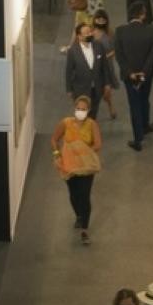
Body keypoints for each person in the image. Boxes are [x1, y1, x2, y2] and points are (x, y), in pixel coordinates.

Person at [52, 96, 101, 243]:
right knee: (74, 194)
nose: (80, 111)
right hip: (70, 166)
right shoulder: (66, 123)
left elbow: (98, 144)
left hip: (86, 166)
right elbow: (54, 139)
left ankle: (84, 230)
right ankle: (79, 215)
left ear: (89, 110)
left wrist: (83, 152)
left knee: (84, 195)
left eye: (83, 109)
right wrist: (57, 153)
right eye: (78, 108)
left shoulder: (92, 125)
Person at [115, 0, 153, 151]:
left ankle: (138, 139)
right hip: (146, 75)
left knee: (134, 104)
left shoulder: (120, 31)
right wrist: (144, 72)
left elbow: (120, 56)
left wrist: (130, 73)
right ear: (142, 14)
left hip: (130, 77)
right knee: (144, 99)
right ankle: (145, 125)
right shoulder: (151, 30)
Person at [65, 20, 113, 119]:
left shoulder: (99, 46)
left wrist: (107, 84)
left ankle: (90, 130)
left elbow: (105, 66)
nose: (90, 34)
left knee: (94, 112)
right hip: (80, 89)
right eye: (86, 33)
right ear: (79, 36)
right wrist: (69, 89)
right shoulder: (73, 51)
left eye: (90, 32)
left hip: (97, 87)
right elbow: (68, 71)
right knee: (82, 114)